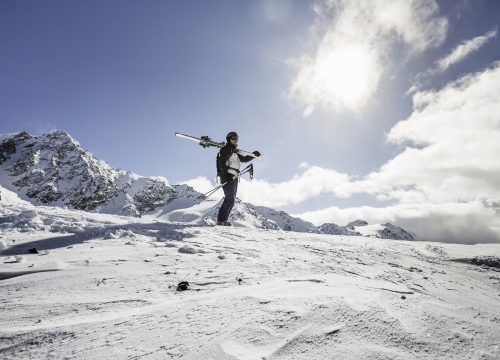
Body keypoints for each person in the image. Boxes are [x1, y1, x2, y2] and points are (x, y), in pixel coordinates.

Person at [216, 131, 261, 226]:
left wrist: (253, 155)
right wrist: (225, 175)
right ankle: (221, 220)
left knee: (232, 199)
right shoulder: (226, 150)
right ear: (229, 139)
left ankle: (224, 220)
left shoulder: (234, 151)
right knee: (229, 198)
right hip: (227, 175)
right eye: (233, 138)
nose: (236, 140)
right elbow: (221, 163)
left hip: (235, 176)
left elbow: (244, 159)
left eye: (237, 138)